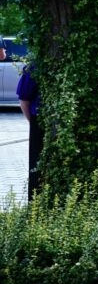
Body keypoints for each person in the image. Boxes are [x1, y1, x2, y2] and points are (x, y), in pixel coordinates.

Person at [16, 64, 42, 201]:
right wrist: (33, 122)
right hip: (40, 121)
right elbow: (24, 99)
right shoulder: (34, 68)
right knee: (37, 167)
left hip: (41, 120)